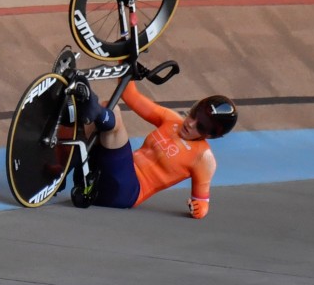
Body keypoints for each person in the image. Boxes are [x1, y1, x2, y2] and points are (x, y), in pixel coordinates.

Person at [69, 76, 237, 218]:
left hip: (125, 191)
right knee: (102, 111)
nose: (191, 124)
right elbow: (131, 96)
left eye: (201, 127)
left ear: (211, 135)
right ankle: (56, 167)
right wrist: (125, 61)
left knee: (113, 114)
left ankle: (89, 103)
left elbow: (202, 201)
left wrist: (199, 209)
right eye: (194, 114)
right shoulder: (172, 120)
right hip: (98, 176)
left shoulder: (203, 158)